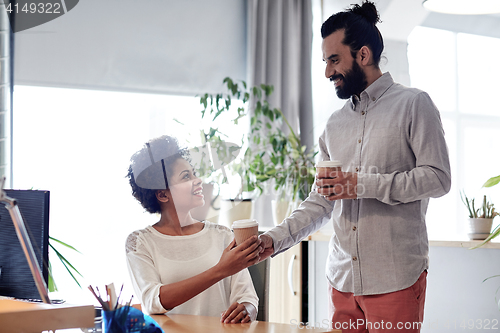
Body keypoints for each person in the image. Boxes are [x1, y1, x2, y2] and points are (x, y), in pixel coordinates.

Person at [257, 1, 451, 332]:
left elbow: (437, 179)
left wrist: (361, 184)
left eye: (334, 60)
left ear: (363, 55)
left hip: (395, 279)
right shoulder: (333, 126)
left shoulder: (414, 104)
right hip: (342, 282)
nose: (327, 72)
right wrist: (273, 240)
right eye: (325, 61)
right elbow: (321, 200)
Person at [125, 135, 260, 323]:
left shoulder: (221, 235)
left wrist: (246, 310)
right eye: (186, 176)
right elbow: (153, 301)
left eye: (194, 173)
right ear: (163, 194)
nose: (198, 181)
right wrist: (220, 270)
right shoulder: (140, 242)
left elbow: (248, 298)